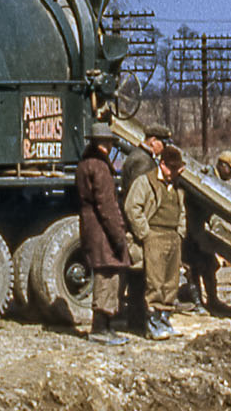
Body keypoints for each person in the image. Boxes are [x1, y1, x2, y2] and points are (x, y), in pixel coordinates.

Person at [75, 123, 131, 345]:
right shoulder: (100, 167)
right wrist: (118, 236)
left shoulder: (84, 164)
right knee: (108, 276)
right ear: (104, 144)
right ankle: (101, 328)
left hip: (90, 226)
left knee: (104, 273)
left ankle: (104, 327)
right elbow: (107, 205)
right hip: (102, 230)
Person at [126, 144, 187, 340]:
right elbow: (132, 208)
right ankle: (152, 323)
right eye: (172, 168)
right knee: (155, 281)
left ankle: (165, 319)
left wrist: (180, 233)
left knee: (171, 282)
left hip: (173, 238)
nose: (175, 172)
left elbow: (183, 212)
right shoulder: (145, 182)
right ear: (162, 165)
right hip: (154, 236)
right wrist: (145, 234)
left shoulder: (177, 187)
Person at [118, 122, 170, 332]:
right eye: (163, 143)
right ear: (153, 141)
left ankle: (136, 321)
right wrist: (144, 232)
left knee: (137, 278)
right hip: (140, 228)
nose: (164, 148)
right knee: (141, 278)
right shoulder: (143, 162)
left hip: (136, 226)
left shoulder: (135, 157)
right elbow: (137, 201)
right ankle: (139, 324)